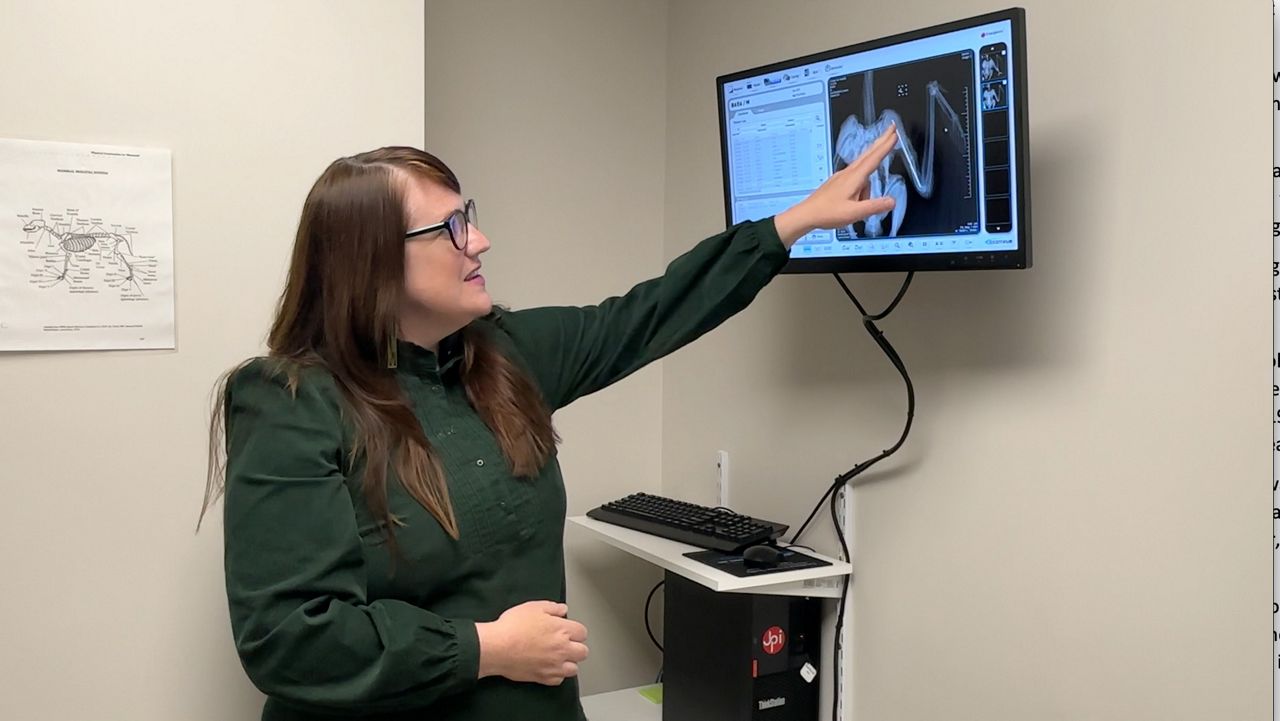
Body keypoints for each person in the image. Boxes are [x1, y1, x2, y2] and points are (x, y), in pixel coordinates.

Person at [200, 124, 899, 721]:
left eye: (467, 213)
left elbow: (646, 315)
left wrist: (792, 224)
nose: (480, 239)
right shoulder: (292, 403)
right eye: (451, 227)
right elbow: (291, 636)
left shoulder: (503, 356)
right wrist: (488, 648)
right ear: (374, 262)